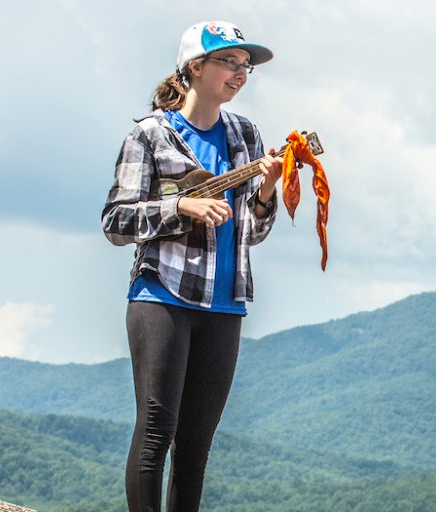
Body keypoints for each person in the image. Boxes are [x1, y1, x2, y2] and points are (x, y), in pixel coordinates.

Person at [101, 20, 283, 512]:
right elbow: (115, 222)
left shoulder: (246, 135)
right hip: (162, 295)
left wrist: (266, 192)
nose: (240, 73)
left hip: (226, 301)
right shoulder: (150, 136)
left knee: (198, 441)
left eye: (246, 66)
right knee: (157, 426)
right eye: (230, 62)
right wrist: (180, 207)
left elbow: (253, 232)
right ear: (195, 67)